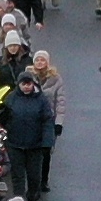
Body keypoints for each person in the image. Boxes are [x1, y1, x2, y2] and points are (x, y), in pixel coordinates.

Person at [0, 73, 53, 201]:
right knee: (18, 176)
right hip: (14, 144)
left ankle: (31, 198)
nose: (26, 87)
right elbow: (2, 119)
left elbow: (47, 121)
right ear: (19, 84)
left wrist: (47, 142)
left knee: (34, 176)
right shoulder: (11, 98)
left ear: (33, 84)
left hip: (35, 145)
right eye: (24, 84)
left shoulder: (41, 100)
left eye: (29, 84)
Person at [31, 51, 66, 190]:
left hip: (48, 120)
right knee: (33, 151)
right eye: (37, 60)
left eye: (42, 60)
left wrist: (59, 122)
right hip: (32, 120)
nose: (40, 62)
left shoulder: (56, 79)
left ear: (47, 62)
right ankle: (33, 179)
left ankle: (43, 180)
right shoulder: (28, 77)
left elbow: (61, 101)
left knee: (46, 151)